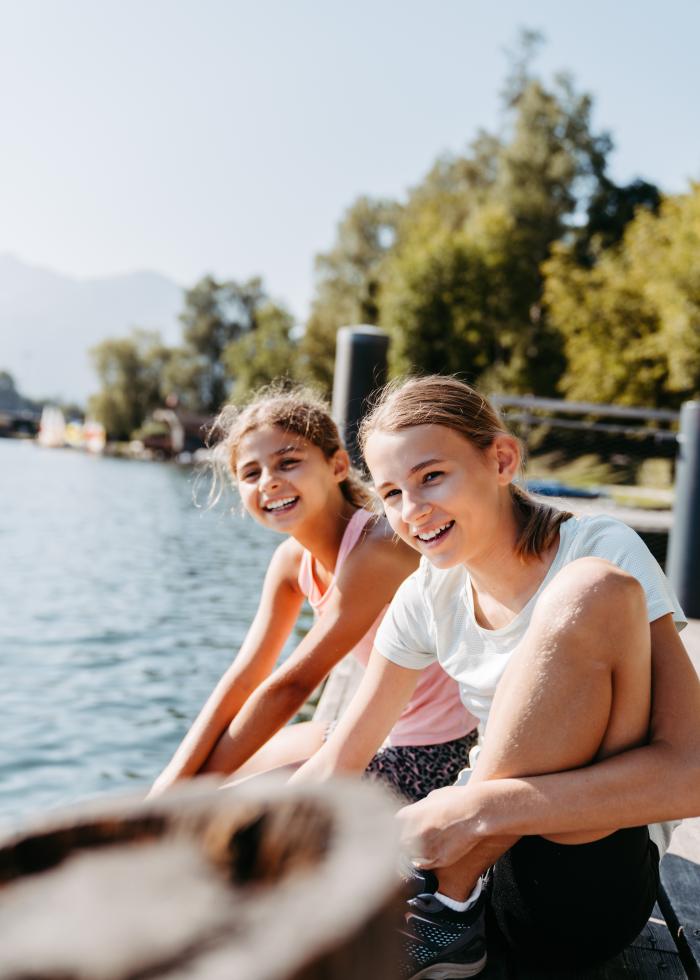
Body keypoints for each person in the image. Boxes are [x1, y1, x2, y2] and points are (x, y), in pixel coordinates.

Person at [293, 375, 700, 978]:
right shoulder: (426, 594)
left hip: (582, 881)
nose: (413, 509)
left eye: (432, 476)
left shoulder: (599, 549)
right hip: (487, 869)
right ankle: (447, 907)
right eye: (391, 494)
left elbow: (690, 774)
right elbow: (341, 758)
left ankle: (445, 900)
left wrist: (478, 809)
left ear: (501, 459)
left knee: (591, 590)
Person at [150, 385, 477, 802]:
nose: (269, 482)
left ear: (338, 465)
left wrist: (180, 798)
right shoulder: (291, 563)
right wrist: (172, 782)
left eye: (288, 462)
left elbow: (294, 684)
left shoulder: (376, 547)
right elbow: (246, 676)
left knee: (219, 812)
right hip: (367, 731)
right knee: (211, 787)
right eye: (251, 473)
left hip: (433, 753)